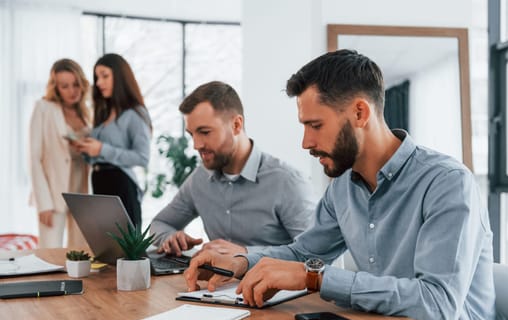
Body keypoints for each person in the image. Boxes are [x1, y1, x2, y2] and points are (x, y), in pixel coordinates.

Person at [184, 50, 507, 320]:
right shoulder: (344, 187)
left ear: (360, 112)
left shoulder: (447, 183)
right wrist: (242, 263)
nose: (305, 142)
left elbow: (436, 308)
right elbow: (303, 252)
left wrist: (315, 277)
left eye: (315, 125)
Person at [151, 81, 317, 256]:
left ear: (236, 125)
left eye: (205, 132)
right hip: (216, 283)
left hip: (274, 283)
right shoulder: (199, 179)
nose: (196, 145)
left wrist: (245, 253)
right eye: (192, 134)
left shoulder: (287, 181)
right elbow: (159, 224)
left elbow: (317, 255)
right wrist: (169, 237)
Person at [75, 53, 152, 231]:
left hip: (121, 185)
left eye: (105, 76)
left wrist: (101, 149)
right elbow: (100, 156)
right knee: (104, 248)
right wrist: (87, 150)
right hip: (99, 181)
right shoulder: (103, 114)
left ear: (120, 76)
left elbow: (142, 157)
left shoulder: (135, 114)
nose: (99, 82)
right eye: (97, 77)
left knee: (124, 252)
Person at [29, 58, 91, 248]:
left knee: (82, 255)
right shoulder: (43, 108)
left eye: (75, 85)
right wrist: (43, 203)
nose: (72, 91)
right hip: (53, 192)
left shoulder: (88, 112)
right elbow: (35, 158)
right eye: (65, 86)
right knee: (50, 254)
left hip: (82, 191)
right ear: (55, 87)